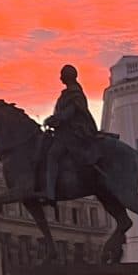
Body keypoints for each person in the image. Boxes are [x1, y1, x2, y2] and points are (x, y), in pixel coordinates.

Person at [40, 64, 97, 199]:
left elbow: (69, 113)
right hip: (65, 130)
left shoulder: (74, 93)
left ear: (67, 77)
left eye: (62, 75)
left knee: (53, 155)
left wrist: (53, 119)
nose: (60, 78)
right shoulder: (70, 92)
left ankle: (50, 191)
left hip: (72, 132)